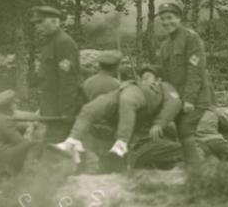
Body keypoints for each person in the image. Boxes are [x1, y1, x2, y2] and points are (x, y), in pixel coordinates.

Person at [54, 66, 184, 171]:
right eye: (142, 77)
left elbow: (174, 103)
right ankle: (71, 140)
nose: (144, 79)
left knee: (127, 102)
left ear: (158, 80)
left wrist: (159, 124)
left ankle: (121, 145)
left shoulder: (164, 87)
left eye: (148, 76)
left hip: (137, 121)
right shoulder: (134, 86)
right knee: (90, 109)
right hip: (124, 94)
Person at [157, 1, 215, 167]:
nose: (166, 22)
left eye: (170, 17)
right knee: (177, 133)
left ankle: (196, 173)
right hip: (177, 99)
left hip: (195, 98)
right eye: (163, 19)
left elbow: (195, 71)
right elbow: (166, 75)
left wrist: (189, 99)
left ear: (179, 18)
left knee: (185, 132)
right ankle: (195, 164)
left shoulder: (191, 38)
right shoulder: (165, 45)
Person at [32, 6, 81, 143]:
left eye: (41, 22)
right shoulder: (51, 42)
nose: (37, 26)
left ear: (55, 21)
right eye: (35, 23)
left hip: (60, 113)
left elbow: (69, 80)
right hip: (51, 109)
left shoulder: (63, 42)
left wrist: (66, 112)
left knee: (55, 149)